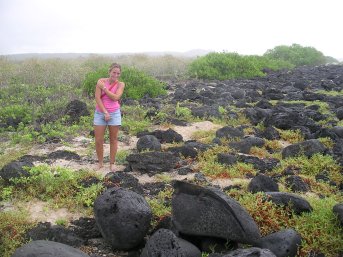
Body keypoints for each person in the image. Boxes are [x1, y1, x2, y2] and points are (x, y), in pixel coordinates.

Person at [93, 63, 125, 172]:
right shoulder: (101, 81)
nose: (115, 75)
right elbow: (97, 98)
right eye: (114, 72)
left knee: (113, 139)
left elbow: (116, 97)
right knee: (98, 140)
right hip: (100, 113)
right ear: (109, 72)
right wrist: (105, 112)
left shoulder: (121, 84)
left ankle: (112, 163)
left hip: (115, 113)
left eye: (118, 73)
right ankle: (100, 163)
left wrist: (105, 89)